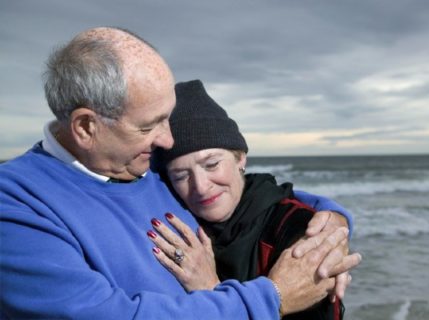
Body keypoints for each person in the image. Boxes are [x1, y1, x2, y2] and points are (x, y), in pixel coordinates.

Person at [0, 27, 360, 319]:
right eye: (149, 126)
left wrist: (329, 220)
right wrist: (271, 299)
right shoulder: (17, 204)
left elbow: (246, 193)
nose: (167, 140)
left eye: (167, 118)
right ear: (85, 127)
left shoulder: (148, 163)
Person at [149, 80, 361, 319]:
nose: (200, 186)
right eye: (181, 175)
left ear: (240, 158)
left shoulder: (299, 229)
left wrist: (212, 291)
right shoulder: (178, 227)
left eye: (212, 164)